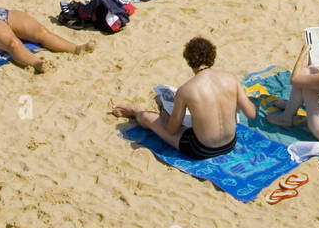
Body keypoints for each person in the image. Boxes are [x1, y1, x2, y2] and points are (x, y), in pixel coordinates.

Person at [110, 36, 256, 161]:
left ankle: (135, 112)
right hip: (230, 143)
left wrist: (163, 109)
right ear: (212, 57)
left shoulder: (186, 90)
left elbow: (172, 130)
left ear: (189, 61)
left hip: (202, 149)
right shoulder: (231, 79)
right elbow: (251, 113)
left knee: (148, 118)